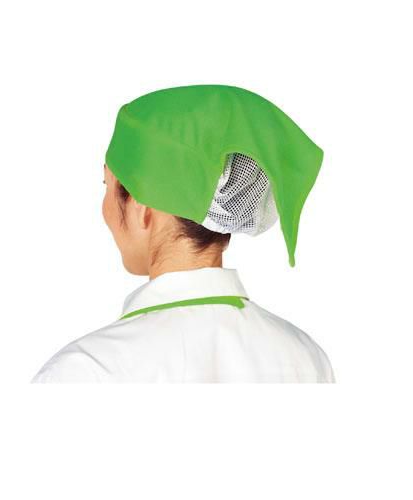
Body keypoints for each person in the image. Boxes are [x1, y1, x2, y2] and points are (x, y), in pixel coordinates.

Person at [32, 84, 335, 383]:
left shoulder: (84, 372)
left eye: (107, 186)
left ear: (140, 205)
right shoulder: (306, 359)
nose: (104, 209)